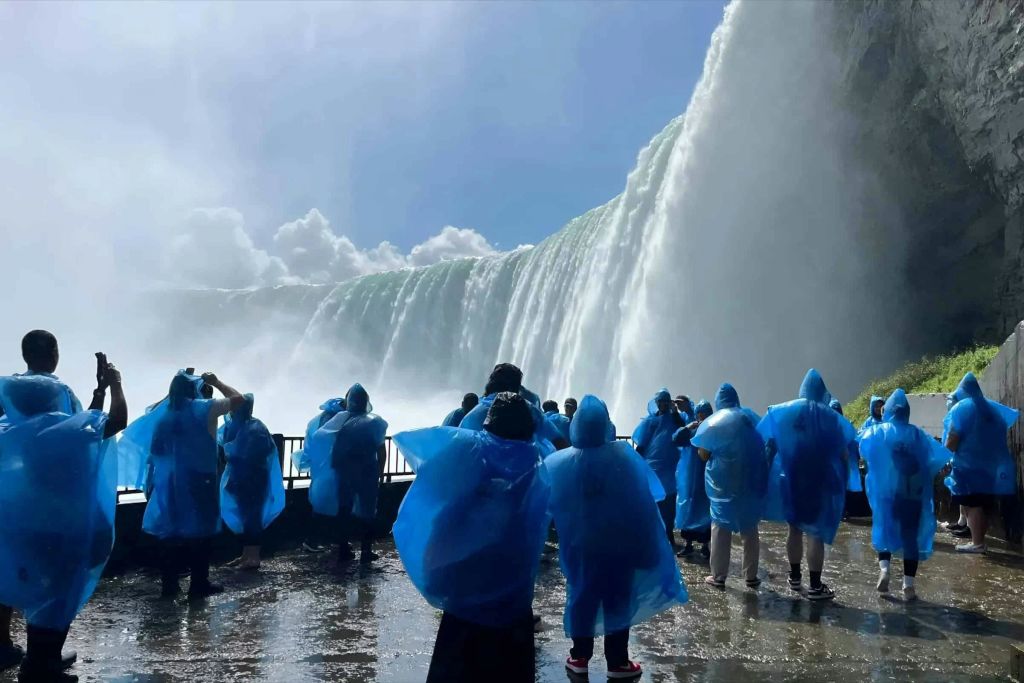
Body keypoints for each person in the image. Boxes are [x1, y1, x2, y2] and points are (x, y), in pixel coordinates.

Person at [392, 392, 551, 683]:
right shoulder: (539, 462)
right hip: (514, 598)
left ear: (488, 425)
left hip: (465, 597)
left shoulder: (470, 453)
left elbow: (438, 508)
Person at [0, 357, 126, 683]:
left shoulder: (8, 431)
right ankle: (39, 668)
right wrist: (115, 384)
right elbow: (115, 420)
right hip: (63, 526)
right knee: (58, 596)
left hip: (24, 528)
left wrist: (98, 391)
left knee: (39, 595)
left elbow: (86, 422)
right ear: (55, 400)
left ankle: (44, 661)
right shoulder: (64, 430)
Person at [548, 395, 687, 678]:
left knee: (581, 595)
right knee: (618, 599)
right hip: (618, 546)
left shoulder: (557, 463)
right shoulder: (624, 457)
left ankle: (579, 657)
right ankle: (617, 662)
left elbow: (546, 507)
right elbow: (648, 499)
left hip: (580, 546)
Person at [120, 370, 244, 599]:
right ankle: (199, 584)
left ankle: (169, 586)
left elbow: (156, 450)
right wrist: (215, 382)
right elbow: (239, 400)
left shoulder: (164, 417)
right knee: (201, 532)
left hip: (170, 482)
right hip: (200, 480)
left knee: (171, 532)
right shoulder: (203, 408)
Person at [758, 369, 854, 601]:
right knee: (815, 533)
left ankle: (794, 577)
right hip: (819, 481)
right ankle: (815, 585)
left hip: (790, 479)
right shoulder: (830, 418)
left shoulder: (784, 412)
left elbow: (769, 444)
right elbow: (842, 455)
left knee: (794, 528)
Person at [859, 389, 950, 601]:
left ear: (888, 411)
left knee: (884, 530)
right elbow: (936, 457)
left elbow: (862, 448)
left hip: (888, 496)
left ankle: (884, 569)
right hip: (913, 496)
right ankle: (908, 586)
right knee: (910, 538)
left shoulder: (878, 432)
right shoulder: (918, 435)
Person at [692, 384, 768, 589]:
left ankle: (718, 577)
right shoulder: (751, 418)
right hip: (749, 483)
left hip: (722, 486)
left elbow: (703, 454)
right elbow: (765, 445)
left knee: (720, 530)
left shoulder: (713, 423)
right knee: (750, 529)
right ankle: (751, 576)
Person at [306, 384, 388, 566]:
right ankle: (366, 551)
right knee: (368, 511)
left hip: (344, 472)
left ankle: (343, 548)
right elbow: (381, 450)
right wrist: (380, 473)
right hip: (368, 471)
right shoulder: (376, 422)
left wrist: (328, 468)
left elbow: (321, 440)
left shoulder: (339, 421)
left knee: (344, 509)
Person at [943, 372, 1019, 553]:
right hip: (992, 467)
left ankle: (977, 543)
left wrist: (946, 451)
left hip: (969, 466)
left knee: (973, 505)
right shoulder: (993, 410)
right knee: (983, 504)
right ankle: (979, 541)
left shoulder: (962, 409)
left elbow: (952, 441)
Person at [218, 395, 286, 570]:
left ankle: (253, 557)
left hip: (254, 480)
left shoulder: (255, 428)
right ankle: (246, 554)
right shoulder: (239, 426)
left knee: (253, 518)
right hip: (240, 479)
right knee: (245, 518)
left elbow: (257, 455)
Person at [458, 363, 569, 451]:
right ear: (517, 387)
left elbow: (459, 446)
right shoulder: (529, 409)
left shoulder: (473, 413)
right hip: (524, 473)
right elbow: (558, 441)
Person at [631, 389, 687, 549]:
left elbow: (684, 430)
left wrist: (676, 413)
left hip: (670, 469)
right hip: (653, 469)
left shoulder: (676, 419)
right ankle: (654, 537)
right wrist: (634, 461)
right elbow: (641, 444)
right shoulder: (650, 422)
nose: (663, 404)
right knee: (654, 503)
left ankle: (668, 536)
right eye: (660, 401)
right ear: (657, 403)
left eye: (666, 401)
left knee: (668, 505)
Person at [293, 396, 346, 553]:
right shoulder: (336, 423)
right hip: (333, 470)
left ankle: (318, 541)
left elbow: (309, 447)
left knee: (321, 504)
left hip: (321, 470)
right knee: (335, 505)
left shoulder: (316, 422)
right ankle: (318, 541)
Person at [673, 400, 714, 558]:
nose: (702, 417)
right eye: (700, 414)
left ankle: (705, 546)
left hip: (706, 474)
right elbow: (676, 438)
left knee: (705, 509)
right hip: (689, 475)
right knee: (688, 506)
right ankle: (688, 544)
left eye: (705, 414)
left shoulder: (713, 429)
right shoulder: (692, 428)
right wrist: (688, 427)